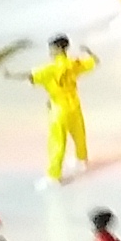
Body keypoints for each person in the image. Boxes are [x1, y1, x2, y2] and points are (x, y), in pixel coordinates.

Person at [33, 33, 96, 181]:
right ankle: (81, 160)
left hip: (59, 109)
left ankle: (54, 175)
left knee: (57, 141)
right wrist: (89, 52)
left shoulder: (49, 68)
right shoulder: (74, 62)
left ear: (58, 48)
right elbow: (93, 62)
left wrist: (9, 74)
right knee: (79, 133)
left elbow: (31, 77)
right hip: (74, 104)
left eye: (52, 48)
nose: (50, 51)